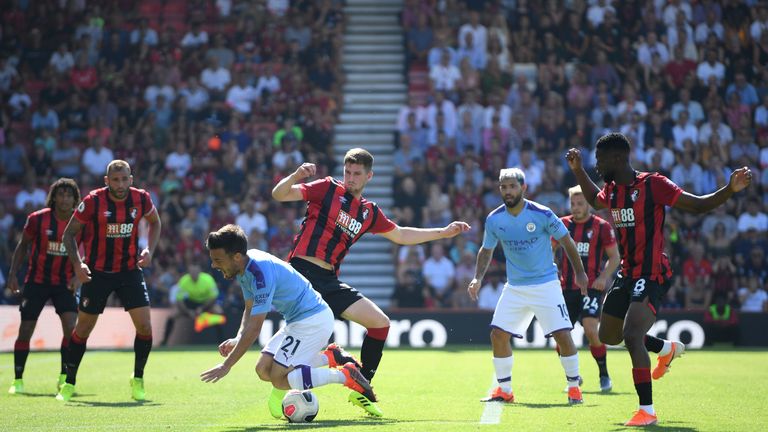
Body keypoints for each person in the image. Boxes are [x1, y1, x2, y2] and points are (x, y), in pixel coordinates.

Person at [566, 132, 752, 426]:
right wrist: (578, 170)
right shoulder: (612, 190)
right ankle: (666, 349)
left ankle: (647, 411)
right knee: (608, 336)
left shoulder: (653, 184)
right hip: (626, 274)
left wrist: (729, 189)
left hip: (651, 273)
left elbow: (698, 205)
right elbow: (593, 200)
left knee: (631, 337)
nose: (597, 167)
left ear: (617, 158)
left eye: (600, 161)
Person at [272, 148, 470, 416]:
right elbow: (280, 194)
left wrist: (443, 233)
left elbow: (400, 235)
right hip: (301, 274)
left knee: (380, 323)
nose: (350, 178)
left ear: (369, 176)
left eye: (356, 174)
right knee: (290, 355)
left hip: (329, 280)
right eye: (347, 172)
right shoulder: (327, 189)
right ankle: (328, 361)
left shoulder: (368, 212)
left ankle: (361, 383)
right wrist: (296, 175)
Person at [199, 224, 378, 417]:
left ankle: (345, 375)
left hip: (313, 320)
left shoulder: (259, 274)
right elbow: (249, 308)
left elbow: (255, 328)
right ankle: (330, 357)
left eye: (218, 260)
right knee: (262, 370)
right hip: (296, 321)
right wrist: (238, 337)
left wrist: (227, 366)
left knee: (279, 378)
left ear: (235, 256)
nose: (214, 265)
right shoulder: (244, 266)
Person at [467, 168, 588, 406]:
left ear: (524, 188)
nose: (508, 191)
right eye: (503, 187)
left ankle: (574, 387)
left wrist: (581, 273)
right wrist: (477, 277)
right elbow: (486, 249)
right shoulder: (494, 219)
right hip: (515, 287)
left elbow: (567, 241)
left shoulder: (542, 213)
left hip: (546, 284)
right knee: (498, 334)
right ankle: (504, 390)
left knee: (562, 334)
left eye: (512, 186)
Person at [56, 160, 162, 402]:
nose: (121, 184)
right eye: (115, 180)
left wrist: (150, 250)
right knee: (82, 330)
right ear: (107, 181)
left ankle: (138, 379)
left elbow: (155, 223)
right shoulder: (93, 201)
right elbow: (68, 234)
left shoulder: (141, 198)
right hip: (98, 273)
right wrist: (78, 264)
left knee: (145, 327)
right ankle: (69, 382)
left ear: (131, 179)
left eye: (125, 179)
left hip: (129, 271)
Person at [6, 178, 81, 394]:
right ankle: (18, 380)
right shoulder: (37, 219)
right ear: (54, 197)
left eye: (69, 195)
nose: (65, 199)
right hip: (36, 281)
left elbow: (89, 252)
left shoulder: (80, 223)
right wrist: (12, 274)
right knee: (26, 329)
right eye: (61, 194)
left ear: (75, 199)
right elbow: (22, 247)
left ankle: (64, 378)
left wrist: (79, 274)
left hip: (65, 283)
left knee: (70, 329)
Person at [554, 185, 620, 392]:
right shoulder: (562, 225)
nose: (575, 207)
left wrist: (603, 277)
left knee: (591, 329)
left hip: (591, 287)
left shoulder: (602, 226)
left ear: (589, 205)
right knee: (560, 335)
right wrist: (551, 269)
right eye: (573, 203)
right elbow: (547, 250)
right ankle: (573, 376)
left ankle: (604, 375)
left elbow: (615, 257)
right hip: (566, 289)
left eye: (580, 203)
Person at [161, 263, 225, 346]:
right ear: (189, 272)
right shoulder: (184, 280)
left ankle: (222, 341)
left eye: (195, 271)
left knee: (219, 313)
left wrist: (202, 308)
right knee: (171, 316)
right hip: (190, 304)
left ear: (199, 271)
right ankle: (164, 342)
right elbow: (179, 300)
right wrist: (188, 311)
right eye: (192, 271)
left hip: (205, 304)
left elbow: (213, 297)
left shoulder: (207, 279)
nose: (194, 273)